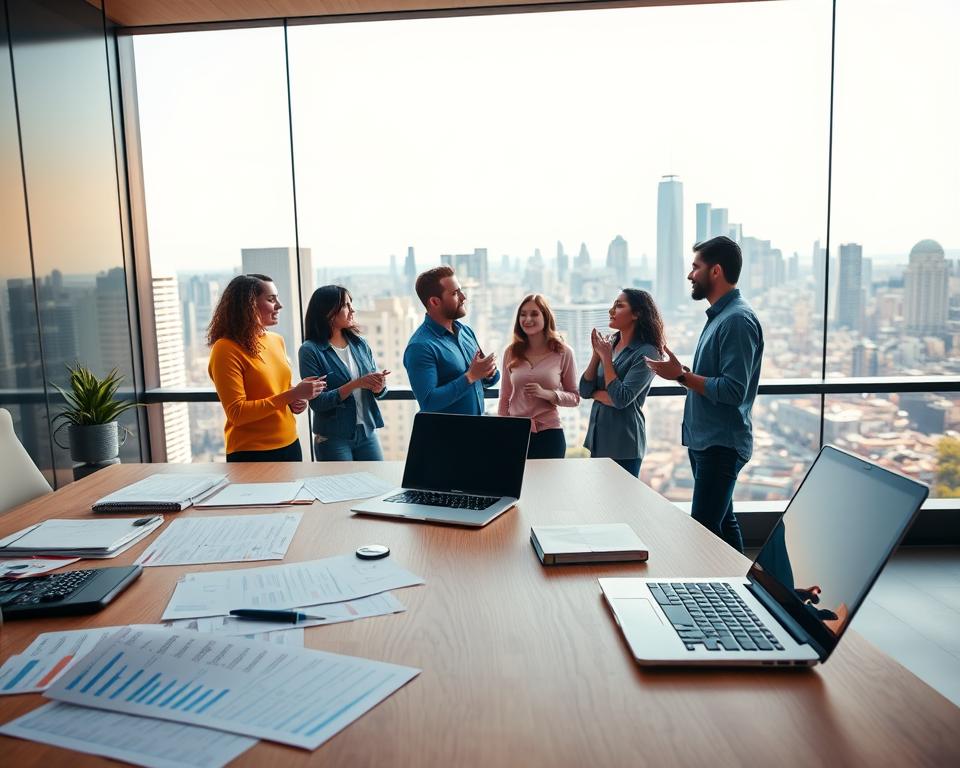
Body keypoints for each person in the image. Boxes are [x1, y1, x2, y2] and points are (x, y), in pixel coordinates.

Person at [645, 235, 764, 553]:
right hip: (707, 440)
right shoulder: (721, 317)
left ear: (716, 271)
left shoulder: (736, 321)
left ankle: (719, 593)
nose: (689, 275)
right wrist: (681, 373)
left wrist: (681, 375)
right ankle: (744, 591)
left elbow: (733, 390)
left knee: (704, 531)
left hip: (721, 443)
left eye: (695, 267)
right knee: (723, 525)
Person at [207, 273, 325, 462]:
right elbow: (237, 413)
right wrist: (292, 395)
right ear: (248, 305)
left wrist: (296, 399)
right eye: (271, 299)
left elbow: (276, 392)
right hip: (251, 452)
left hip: (290, 443)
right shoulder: (226, 349)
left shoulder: (276, 340)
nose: (279, 305)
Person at [298, 285, 390, 461]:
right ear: (328, 312)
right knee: (341, 488)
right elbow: (318, 403)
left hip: (367, 433)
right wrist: (356, 384)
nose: (352, 310)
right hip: (333, 439)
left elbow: (376, 389)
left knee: (377, 487)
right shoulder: (310, 350)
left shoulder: (360, 344)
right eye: (346, 305)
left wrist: (379, 387)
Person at [579, 289, 664, 477]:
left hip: (624, 445)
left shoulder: (648, 352)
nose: (611, 311)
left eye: (619, 306)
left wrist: (606, 360)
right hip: (599, 440)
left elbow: (620, 399)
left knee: (621, 504)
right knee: (600, 504)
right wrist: (596, 355)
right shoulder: (610, 344)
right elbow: (584, 390)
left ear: (637, 313)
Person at [403, 266, 499, 414]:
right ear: (435, 302)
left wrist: (489, 373)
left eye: (460, 290)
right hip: (447, 436)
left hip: (477, 430)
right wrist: (470, 376)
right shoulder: (420, 347)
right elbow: (428, 401)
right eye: (455, 293)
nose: (463, 297)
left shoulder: (466, 332)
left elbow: (487, 380)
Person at [498, 294, 579, 458]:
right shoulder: (511, 352)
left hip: (549, 434)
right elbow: (505, 396)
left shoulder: (564, 352)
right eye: (523, 314)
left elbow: (575, 397)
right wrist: (502, 430)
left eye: (534, 314)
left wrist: (548, 394)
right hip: (515, 433)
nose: (528, 319)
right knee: (516, 484)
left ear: (546, 317)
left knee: (548, 484)